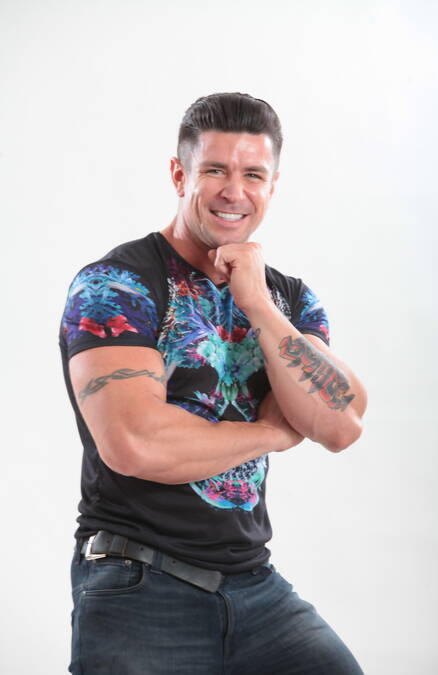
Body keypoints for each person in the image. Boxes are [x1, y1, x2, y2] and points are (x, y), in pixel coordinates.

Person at [60, 92, 368, 674]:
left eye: (253, 175)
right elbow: (136, 443)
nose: (234, 191)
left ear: (272, 186)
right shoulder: (117, 285)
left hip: (254, 585)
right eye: (215, 170)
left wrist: (257, 303)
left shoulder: (288, 299)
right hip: (139, 580)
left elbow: (341, 423)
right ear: (180, 175)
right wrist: (274, 433)